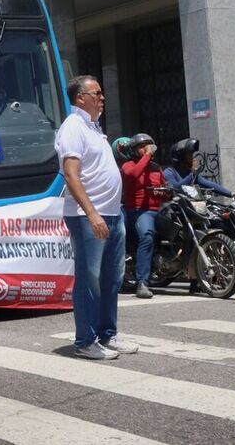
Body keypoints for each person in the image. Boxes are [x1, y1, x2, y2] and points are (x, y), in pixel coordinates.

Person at [54, 75, 138, 360]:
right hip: (89, 216)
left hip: (113, 214)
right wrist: (92, 214)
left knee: (112, 279)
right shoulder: (73, 128)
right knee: (90, 279)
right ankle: (85, 341)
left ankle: (107, 335)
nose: (102, 97)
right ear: (81, 98)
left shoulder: (94, 127)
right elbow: (71, 175)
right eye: (97, 93)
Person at [121, 133, 166, 299]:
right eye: (141, 146)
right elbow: (133, 174)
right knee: (147, 236)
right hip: (140, 211)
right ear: (133, 150)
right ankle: (142, 283)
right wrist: (147, 155)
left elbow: (165, 187)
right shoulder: (128, 165)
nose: (145, 148)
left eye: (148, 146)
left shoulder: (156, 168)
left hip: (158, 210)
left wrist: (166, 192)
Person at [164, 138, 235, 199]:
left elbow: (209, 184)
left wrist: (231, 194)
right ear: (180, 157)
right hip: (176, 212)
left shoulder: (190, 174)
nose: (192, 158)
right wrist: (192, 174)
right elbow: (176, 189)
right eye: (189, 155)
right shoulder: (169, 172)